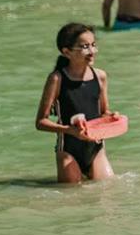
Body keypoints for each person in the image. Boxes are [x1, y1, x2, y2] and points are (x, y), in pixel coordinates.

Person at [35, 23, 118, 183]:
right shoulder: (57, 79)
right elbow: (40, 122)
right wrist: (70, 130)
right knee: (72, 197)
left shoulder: (100, 76)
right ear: (66, 52)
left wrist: (112, 117)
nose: (92, 51)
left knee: (108, 190)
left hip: (96, 148)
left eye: (93, 45)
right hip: (68, 150)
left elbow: (104, 112)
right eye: (85, 47)